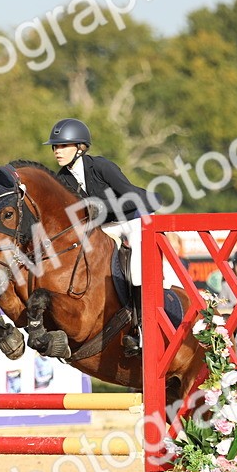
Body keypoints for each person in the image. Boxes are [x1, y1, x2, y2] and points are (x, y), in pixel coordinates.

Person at [43, 117, 159, 355]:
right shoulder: (62, 179)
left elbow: (137, 198)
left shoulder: (102, 167)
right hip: (103, 227)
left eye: (63, 146)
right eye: (56, 147)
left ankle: (142, 328)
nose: (57, 151)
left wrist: (100, 207)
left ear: (80, 147)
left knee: (136, 262)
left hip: (131, 220)